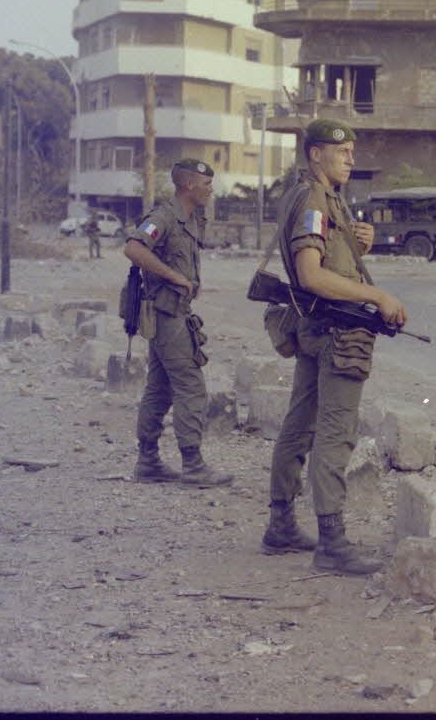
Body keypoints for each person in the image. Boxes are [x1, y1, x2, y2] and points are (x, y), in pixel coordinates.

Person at [262, 119, 407, 575]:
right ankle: (332, 543)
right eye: (340, 151)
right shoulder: (312, 199)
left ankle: (281, 525)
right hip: (337, 335)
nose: (350, 158)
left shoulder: (317, 198)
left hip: (313, 327)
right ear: (315, 155)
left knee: (299, 424)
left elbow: (325, 255)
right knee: (334, 433)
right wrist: (378, 296)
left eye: (352, 151)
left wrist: (356, 239)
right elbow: (311, 274)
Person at [125, 159, 233, 486]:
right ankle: (193, 465)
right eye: (206, 184)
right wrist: (175, 276)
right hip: (166, 313)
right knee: (190, 386)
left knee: (159, 388)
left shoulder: (190, 219)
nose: (210, 190)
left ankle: (148, 463)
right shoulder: (165, 217)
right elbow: (133, 248)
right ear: (188, 185)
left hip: (174, 313)